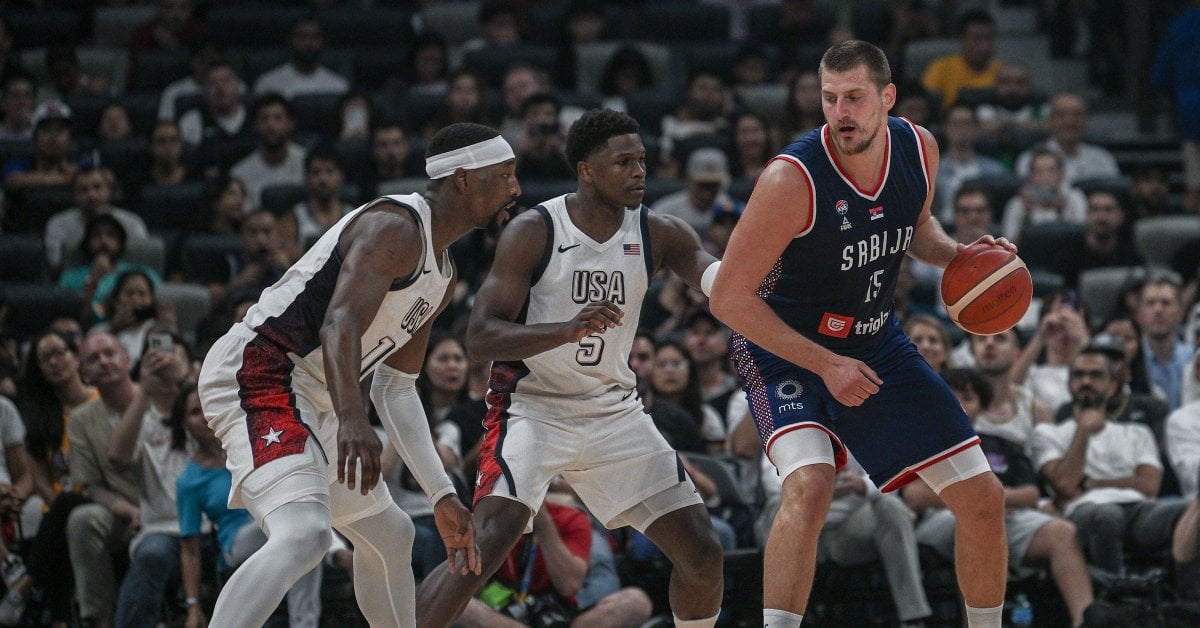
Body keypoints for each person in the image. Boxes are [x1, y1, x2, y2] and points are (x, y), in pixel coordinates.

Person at [708, 40, 1009, 628]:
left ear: (886, 97)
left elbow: (916, 228)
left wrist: (962, 258)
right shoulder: (790, 180)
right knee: (812, 483)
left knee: (983, 498)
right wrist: (824, 364)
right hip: (782, 349)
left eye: (854, 98)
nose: (841, 112)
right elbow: (727, 298)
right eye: (829, 99)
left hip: (875, 342)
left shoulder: (919, 149)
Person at [196, 122, 517, 627]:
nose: (516, 189)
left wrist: (441, 494)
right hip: (262, 373)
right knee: (305, 535)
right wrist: (351, 419)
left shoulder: (443, 274)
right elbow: (339, 321)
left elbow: (395, 385)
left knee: (392, 533)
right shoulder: (395, 226)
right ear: (462, 179)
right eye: (505, 175)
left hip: (316, 393)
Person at [416, 108, 724, 628]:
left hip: (613, 413)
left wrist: (755, 287)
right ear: (586, 169)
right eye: (623, 162)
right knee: (481, 547)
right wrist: (564, 330)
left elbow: (720, 282)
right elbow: (480, 337)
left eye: (642, 160)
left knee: (703, 555)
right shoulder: (534, 230)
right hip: (533, 410)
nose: (639, 172)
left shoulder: (660, 232)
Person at [906, 368, 1095, 628]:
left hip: (1005, 516)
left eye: (968, 398)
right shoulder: (920, 444)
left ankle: (1085, 620)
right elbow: (914, 494)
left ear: (981, 407)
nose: (958, 404)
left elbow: (1031, 493)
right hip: (941, 522)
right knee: (974, 522)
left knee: (1061, 532)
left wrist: (991, 500)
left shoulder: (1002, 443)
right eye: (951, 396)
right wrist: (977, 501)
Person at [920, 9, 999, 114]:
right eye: (977, 38)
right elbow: (926, 105)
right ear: (961, 39)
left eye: (988, 38)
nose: (984, 46)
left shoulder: (1003, 72)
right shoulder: (940, 68)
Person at [252, 17, 348, 99]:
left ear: (322, 42)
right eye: (302, 37)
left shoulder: (339, 87)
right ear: (291, 41)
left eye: (314, 37)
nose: (308, 43)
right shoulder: (268, 84)